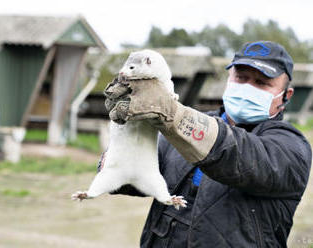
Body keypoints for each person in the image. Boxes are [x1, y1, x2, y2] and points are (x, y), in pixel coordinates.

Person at [102, 41, 312, 248]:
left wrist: (172, 114)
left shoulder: (291, 147)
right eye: (241, 77)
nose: (248, 87)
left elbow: (236, 154)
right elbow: (131, 175)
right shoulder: (180, 127)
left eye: (262, 83)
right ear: (229, 79)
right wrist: (128, 132)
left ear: (286, 96)